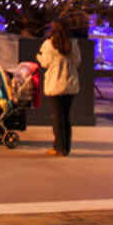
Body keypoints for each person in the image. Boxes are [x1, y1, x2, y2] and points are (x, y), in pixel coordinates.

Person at [37, 21, 81, 156]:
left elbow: (45, 63)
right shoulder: (72, 44)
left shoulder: (48, 44)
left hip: (55, 84)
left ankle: (58, 148)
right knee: (66, 117)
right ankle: (65, 148)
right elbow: (77, 62)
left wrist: (38, 56)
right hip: (70, 84)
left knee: (57, 117)